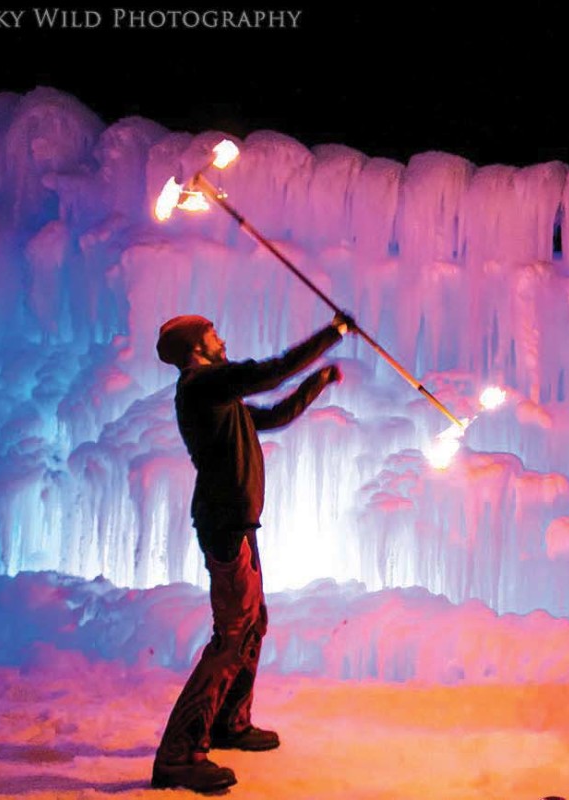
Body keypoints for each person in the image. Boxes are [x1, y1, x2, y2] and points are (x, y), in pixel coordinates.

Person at [150, 312, 352, 793]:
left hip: (238, 524)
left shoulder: (221, 398)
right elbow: (269, 369)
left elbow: (274, 415)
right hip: (224, 524)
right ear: (197, 347)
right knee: (232, 634)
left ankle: (229, 723)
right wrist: (332, 333)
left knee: (252, 623)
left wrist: (318, 383)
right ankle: (179, 754)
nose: (222, 338)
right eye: (213, 334)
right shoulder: (202, 385)